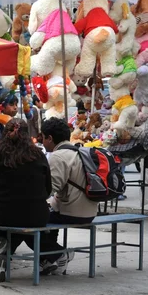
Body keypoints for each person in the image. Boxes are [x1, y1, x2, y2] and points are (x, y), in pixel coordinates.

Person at [0, 118, 58, 282]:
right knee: (27, 226)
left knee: (2, 226)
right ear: (27, 134)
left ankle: (1, 252)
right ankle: (48, 257)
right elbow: (48, 189)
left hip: (4, 214)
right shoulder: (39, 155)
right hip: (36, 214)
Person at [40, 117, 97, 273]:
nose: (42, 142)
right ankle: (51, 259)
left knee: (30, 220)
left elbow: (49, 190)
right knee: (50, 214)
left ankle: (57, 255)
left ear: (50, 138)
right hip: (89, 211)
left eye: (42, 138)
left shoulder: (58, 157)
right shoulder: (78, 151)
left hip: (72, 213)